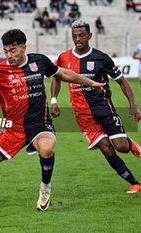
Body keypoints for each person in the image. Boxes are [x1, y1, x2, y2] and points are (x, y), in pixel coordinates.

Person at [0, 29, 105, 211]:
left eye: (13, 50)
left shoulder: (39, 61)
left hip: (40, 125)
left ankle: (45, 188)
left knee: (47, 148)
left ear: (24, 46)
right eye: (6, 51)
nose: (9, 55)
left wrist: (92, 83)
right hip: (12, 129)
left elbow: (63, 74)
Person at [51, 20, 141, 194]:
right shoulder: (64, 58)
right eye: (74, 36)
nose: (78, 39)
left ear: (90, 36)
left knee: (121, 146)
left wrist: (133, 106)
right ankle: (134, 182)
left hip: (104, 108)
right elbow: (56, 78)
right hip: (83, 115)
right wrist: (54, 101)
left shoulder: (101, 58)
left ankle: (131, 144)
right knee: (106, 147)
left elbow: (122, 81)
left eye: (81, 35)